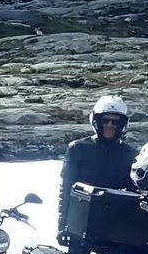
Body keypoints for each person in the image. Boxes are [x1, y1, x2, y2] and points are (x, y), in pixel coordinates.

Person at [58, 93, 137, 244]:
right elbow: (66, 188)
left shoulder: (131, 154)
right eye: (105, 120)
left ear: (123, 124)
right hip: (80, 223)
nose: (110, 125)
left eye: (115, 122)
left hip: (115, 227)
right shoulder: (78, 149)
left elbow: (135, 194)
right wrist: (62, 225)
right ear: (96, 121)